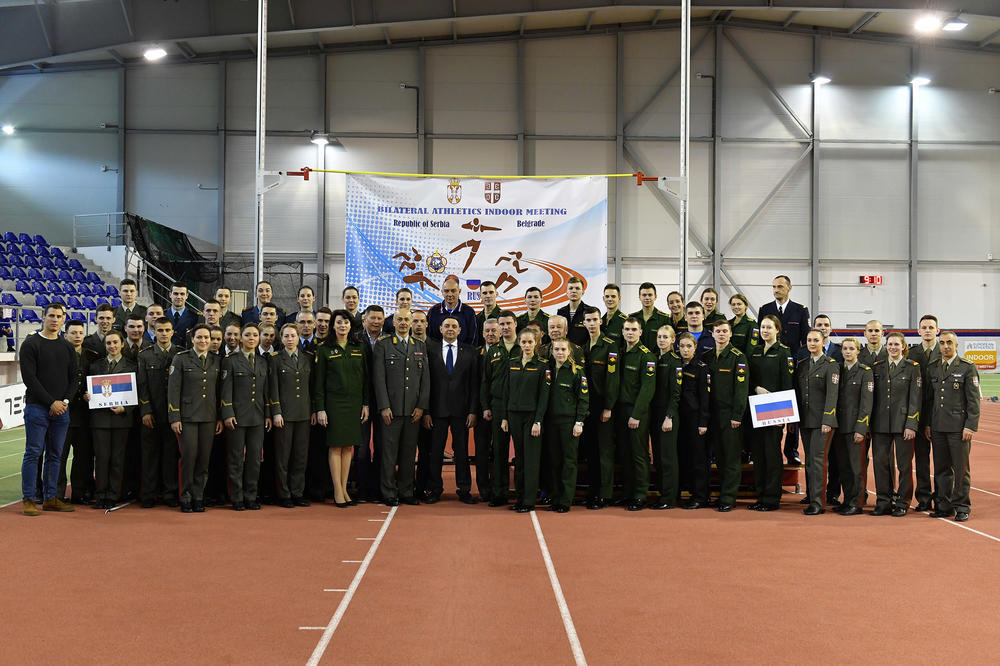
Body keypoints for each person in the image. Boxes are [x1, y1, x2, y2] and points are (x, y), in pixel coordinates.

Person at [19, 303, 77, 516]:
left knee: (56, 455)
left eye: (59, 316)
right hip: (37, 408)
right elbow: (29, 379)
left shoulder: (67, 346)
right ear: (44, 318)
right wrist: (51, 402)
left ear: (64, 319)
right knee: (33, 453)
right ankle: (29, 498)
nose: (54, 319)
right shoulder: (31, 344)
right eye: (51, 316)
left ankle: (51, 498)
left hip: (62, 411)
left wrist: (64, 403)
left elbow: (74, 378)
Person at [373, 308, 430, 505]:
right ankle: (388, 492)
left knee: (408, 453)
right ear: (394, 322)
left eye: (408, 320)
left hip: (413, 411)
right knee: (389, 454)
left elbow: (425, 381)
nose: (404, 323)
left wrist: (422, 406)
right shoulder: (384, 345)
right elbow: (379, 379)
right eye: (400, 320)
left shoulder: (420, 346)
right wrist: (384, 406)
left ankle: (406, 491)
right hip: (392, 411)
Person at [315, 310, 370, 506]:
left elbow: (365, 379)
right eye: (338, 322)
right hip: (334, 404)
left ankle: (345, 488)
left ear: (350, 325)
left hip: (355, 404)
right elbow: (318, 383)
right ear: (333, 326)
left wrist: (366, 403)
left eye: (346, 322)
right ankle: (337, 490)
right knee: (335, 446)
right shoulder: (324, 349)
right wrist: (320, 408)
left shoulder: (359, 347)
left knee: (349, 447)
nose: (342, 326)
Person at [423, 315, 480, 503]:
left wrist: (472, 411)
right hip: (436, 411)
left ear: (460, 330)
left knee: (462, 452)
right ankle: (435, 489)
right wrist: (427, 411)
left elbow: (473, 385)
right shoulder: (429, 350)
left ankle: (464, 489)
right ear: (440, 329)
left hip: (461, 411)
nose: (450, 329)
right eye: (446, 325)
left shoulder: (470, 352)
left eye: (454, 326)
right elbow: (427, 384)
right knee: (435, 452)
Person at [167, 324, 224, 513]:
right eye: (199, 337)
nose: (203, 341)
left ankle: (199, 496)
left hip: (209, 416)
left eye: (207, 337)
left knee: (203, 460)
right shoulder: (181, 359)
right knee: (189, 457)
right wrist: (174, 416)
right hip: (188, 417)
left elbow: (218, 392)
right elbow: (173, 390)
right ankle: (185, 496)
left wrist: (219, 418)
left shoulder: (216, 360)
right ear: (192, 339)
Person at [926, 331, 980, 522]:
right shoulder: (933, 368)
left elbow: (973, 402)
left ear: (957, 345)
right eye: (942, 343)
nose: (946, 346)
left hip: (959, 428)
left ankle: (962, 506)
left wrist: (970, 426)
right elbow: (930, 400)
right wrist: (927, 424)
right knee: (941, 468)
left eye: (950, 342)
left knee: (960, 469)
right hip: (938, 426)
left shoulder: (967, 368)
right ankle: (943, 505)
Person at [757, 275, 810, 465]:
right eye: (773, 287)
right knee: (772, 412)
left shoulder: (800, 310)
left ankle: (791, 450)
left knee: (791, 410)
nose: (776, 290)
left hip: (793, 367)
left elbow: (805, 340)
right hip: (771, 365)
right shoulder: (765, 310)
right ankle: (771, 452)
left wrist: (799, 362)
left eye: (780, 286)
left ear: (789, 288)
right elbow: (760, 337)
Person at [870, 331, 921, 517]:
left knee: (904, 465)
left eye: (896, 344)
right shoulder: (877, 367)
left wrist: (911, 424)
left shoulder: (912, 367)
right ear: (886, 346)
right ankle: (883, 501)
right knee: (880, 464)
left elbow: (915, 398)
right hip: (880, 423)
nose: (893, 347)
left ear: (903, 346)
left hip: (903, 424)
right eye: (890, 344)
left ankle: (902, 502)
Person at [221, 323, 271, 510]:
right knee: (235, 458)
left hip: (257, 417)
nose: (251, 338)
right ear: (241, 338)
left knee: (254, 458)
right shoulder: (231, 360)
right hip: (237, 417)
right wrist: (227, 413)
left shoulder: (262, 362)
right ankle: (237, 496)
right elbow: (226, 390)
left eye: (255, 335)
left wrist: (267, 414)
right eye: (247, 335)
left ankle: (251, 495)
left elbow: (266, 391)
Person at [499, 328, 550, 513]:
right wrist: (504, 417)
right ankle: (520, 498)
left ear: (536, 343)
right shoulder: (511, 363)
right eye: (524, 342)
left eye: (530, 342)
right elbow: (505, 391)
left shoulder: (543, 365)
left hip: (531, 418)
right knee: (519, 459)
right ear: (519, 343)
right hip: (514, 415)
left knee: (531, 460)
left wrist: (538, 421)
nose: (527, 345)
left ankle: (529, 500)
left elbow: (544, 396)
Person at [607, 317, 656, 511]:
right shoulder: (620, 352)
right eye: (627, 329)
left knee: (639, 454)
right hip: (621, 409)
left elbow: (647, 389)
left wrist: (636, 415)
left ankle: (640, 495)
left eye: (634, 330)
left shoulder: (646, 356)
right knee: (625, 454)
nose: (630, 333)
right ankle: (628, 493)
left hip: (637, 412)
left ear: (640, 332)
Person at [702, 320, 749, 512]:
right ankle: (722, 494)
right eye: (717, 331)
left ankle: (729, 497)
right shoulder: (707, 356)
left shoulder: (738, 358)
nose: (721, 334)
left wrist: (737, 415)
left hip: (730, 415)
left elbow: (741, 390)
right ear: (712, 335)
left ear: (730, 334)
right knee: (719, 457)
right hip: (711, 414)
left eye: (724, 331)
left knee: (730, 458)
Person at [86, 330, 137, 510]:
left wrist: (125, 408)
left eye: (116, 342)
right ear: (105, 346)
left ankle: (113, 494)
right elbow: (89, 390)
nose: (112, 346)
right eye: (109, 343)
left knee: (117, 459)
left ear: (122, 344)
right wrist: (87, 396)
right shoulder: (95, 366)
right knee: (101, 458)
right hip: (99, 420)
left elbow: (136, 395)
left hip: (121, 420)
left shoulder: (132, 366)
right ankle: (100, 494)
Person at [748, 315, 794, 511]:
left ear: (777, 330)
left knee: (772, 455)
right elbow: (747, 379)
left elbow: (787, 383)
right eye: (763, 327)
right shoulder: (755, 351)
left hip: (775, 410)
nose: (765, 330)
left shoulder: (784, 352)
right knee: (758, 455)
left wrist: (783, 415)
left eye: (769, 327)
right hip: (756, 408)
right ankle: (761, 495)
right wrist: (756, 387)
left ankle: (772, 498)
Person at [268, 323, 314, 508]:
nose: (289, 339)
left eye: (292, 336)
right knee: (283, 457)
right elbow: (273, 388)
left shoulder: (307, 358)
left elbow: (311, 387)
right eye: (286, 336)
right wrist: (276, 411)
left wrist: (312, 410)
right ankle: (284, 493)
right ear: (281, 338)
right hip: (284, 415)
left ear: (298, 337)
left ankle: (297, 492)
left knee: (300, 456)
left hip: (303, 413)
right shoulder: (275, 359)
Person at [136, 316, 180, 508]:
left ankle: (170, 493)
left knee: (171, 456)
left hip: (172, 415)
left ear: (173, 332)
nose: (163, 334)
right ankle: (149, 493)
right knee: (149, 456)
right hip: (151, 414)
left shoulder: (180, 354)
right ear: (153, 331)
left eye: (167, 330)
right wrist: (145, 410)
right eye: (159, 330)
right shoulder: (144, 355)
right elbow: (142, 386)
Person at [544, 338, 588, 513]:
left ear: (569, 352)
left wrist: (579, 422)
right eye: (556, 349)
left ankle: (565, 500)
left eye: (563, 349)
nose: (560, 352)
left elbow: (584, 400)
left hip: (569, 423)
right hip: (550, 423)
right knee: (553, 461)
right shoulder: (546, 370)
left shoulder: (577, 372)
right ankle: (554, 497)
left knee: (568, 462)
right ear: (552, 352)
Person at [481, 311, 520, 506]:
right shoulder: (494, 352)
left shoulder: (524, 348)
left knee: (521, 452)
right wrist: (486, 406)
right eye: (501, 324)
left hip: (520, 407)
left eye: (508, 323)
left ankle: (522, 492)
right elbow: (485, 382)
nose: (505, 327)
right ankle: (499, 493)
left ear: (515, 324)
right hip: (497, 406)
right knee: (499, 451)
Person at [581, 306, 618, 509]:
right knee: (592, 452)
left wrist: (609, 407)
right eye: (589, 320)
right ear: (584, 323)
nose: (592, 323)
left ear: (600, 322)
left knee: (604, 452)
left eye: (595, 319)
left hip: (603, 407)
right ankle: (593, 491)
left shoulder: (609, 346)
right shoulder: (584, 347)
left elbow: (613, 380)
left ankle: (604, 494)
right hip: (587, 407)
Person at [833, 337, 874, 516]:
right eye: (845, 348)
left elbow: (867, 404)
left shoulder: (865, 372)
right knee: (844, 467)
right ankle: (847, 499)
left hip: (856, 427)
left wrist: (861, 428)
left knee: (857, 468)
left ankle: (857, 503)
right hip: (840, 427)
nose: (847, 352)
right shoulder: (837, 370)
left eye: (851, 348)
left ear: (858, 351)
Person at [907, 314, 940, 512]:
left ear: (938, 330)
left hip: (939, 415)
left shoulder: (944, 351)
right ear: (918, 331)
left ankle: (943, 497)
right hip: (918, 415)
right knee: (921, 460)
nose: (927, 330)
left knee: (943, 462)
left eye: (931, 327)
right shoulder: (913, 354)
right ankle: (924, 498)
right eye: (924, 327)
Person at [810, 313, 844, 506]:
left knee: (829, 460)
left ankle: (826, 496)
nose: (822, 327)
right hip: (809, 417)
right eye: (818, 325)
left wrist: (828, 418)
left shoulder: (837, 355)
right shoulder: (803, 357)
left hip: (828, 417)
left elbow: (833, 392)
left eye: (825, 325)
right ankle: (814, 495)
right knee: (814, 460)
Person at [63, 319, 98, 504]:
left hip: (84, 415)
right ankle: (56, 494)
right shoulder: (58, 354)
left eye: (80, 333)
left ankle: (78, 494)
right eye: (73, 333)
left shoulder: (92, 356)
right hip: (63, 414)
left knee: (83, 458)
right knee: (59, 457)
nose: (77, 336)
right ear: (65, 334)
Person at [649, 325, 682, 509]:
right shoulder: (654, 357)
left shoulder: (674, 361)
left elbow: (675, 393)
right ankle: (663, 493)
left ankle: (669, 497)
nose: (661, 340)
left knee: (668, 458)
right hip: (654, 414)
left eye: (665, 337)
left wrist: (669, 416)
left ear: (672, 340)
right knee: (659, 457)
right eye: (659, 336)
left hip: (667, 415)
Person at [677, 332, 711, 509]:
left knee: (699, 459)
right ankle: (688, 491)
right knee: (684, 457)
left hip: (696, 419)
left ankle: (701, 496)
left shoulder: (701, 367)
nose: (685, 350)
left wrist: (703, 422)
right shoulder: (676, 365)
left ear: (695, 348)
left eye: (688, 346)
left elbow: (705, 397)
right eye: (682, 346)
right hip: (679, 419)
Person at [473, 318, 500, 502]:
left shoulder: (506, 353)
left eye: (494, 331)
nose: (490, 334)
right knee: (481, 452)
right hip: (480, 410)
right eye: (487, 331)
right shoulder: (475, 354)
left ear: (500, 333)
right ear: (482, 333)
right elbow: (473, 384)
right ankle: (483, 489)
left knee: (499, 451)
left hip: (499, 409)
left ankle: (498, 488)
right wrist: (477, 410)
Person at [426, 278, 478, 346]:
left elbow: (473, 337)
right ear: (442, 292)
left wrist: (465, 353)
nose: (450, 294)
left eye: (453, 291)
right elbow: (429, 336)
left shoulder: (469, 312)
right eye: (446, 291)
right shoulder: (433, 311)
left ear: (459, 291)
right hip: (437, 354)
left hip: (464, 354)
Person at [629, 282, 670, 350]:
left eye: (650, 295)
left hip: (657, 358)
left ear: (655, 297)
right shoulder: (632, 318)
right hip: (636, 358)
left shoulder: (664, 319)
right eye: (644, 295)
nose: (647, 298)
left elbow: (668, 342)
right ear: (639, 297)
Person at [556, 275, 590, 346]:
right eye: (571, 288)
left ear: (583, 292)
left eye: (577, 288)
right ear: (567, 292)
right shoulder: (561, 312)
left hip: (582, 354)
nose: (574, 291)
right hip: (563, 353)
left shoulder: (589, 312)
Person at [167, 283, 199, 348]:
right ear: (170, 294)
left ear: (187, 296)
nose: (179, 297)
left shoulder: (195, 317)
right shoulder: (163, 315)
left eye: (182, 294)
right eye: (176, 294)